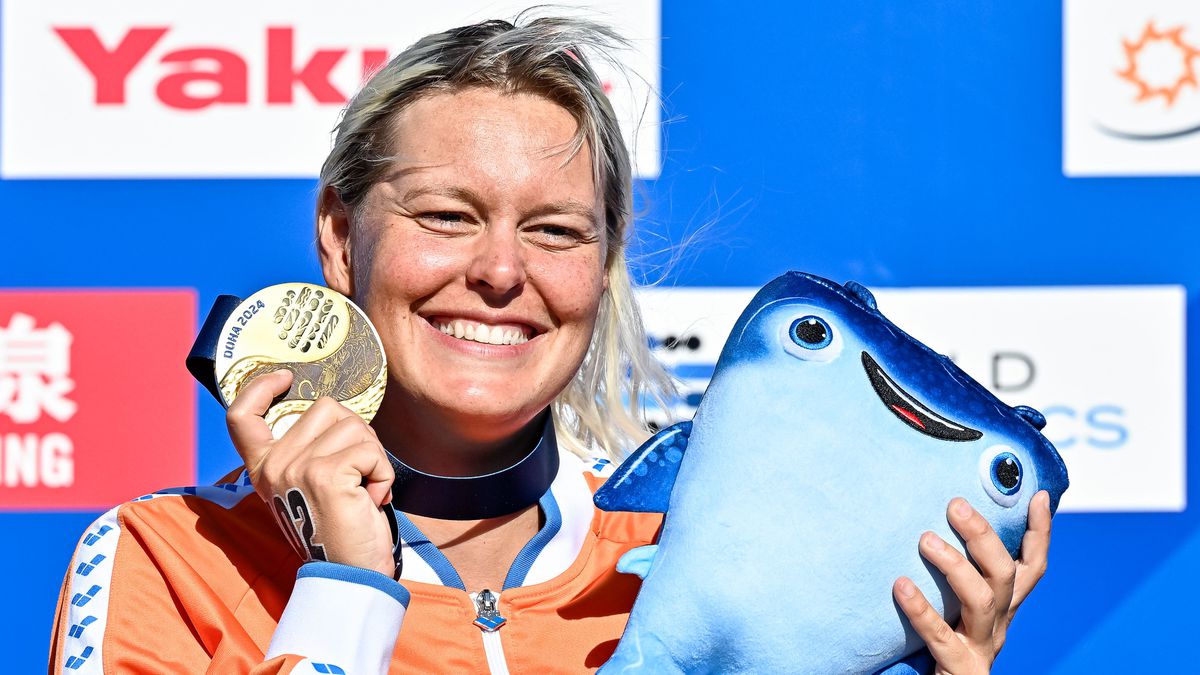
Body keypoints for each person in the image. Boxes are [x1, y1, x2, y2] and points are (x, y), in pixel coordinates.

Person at [49, 15, 1053, 674]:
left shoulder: (692, 578)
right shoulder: (165, 561)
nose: (499, 271)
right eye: (445, 214)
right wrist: (345, 591)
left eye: (557, 230)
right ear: (338, 239)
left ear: (605, 262)